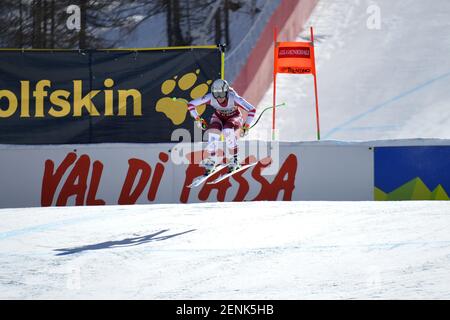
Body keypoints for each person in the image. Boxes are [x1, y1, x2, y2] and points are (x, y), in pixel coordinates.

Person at [187, 79, 256, 175]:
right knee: (212, 133)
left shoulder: (234, 97)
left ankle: (235, 159)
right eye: (216, 94)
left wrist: (246, 125)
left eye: (222, 94)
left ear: (227, 92)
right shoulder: (210, 97)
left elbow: (252, 109)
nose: (219, 98)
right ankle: (212, 160)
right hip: (218, 117)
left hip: (234, 117)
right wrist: (198, 119)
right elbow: (190, 105)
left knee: (227, 130)